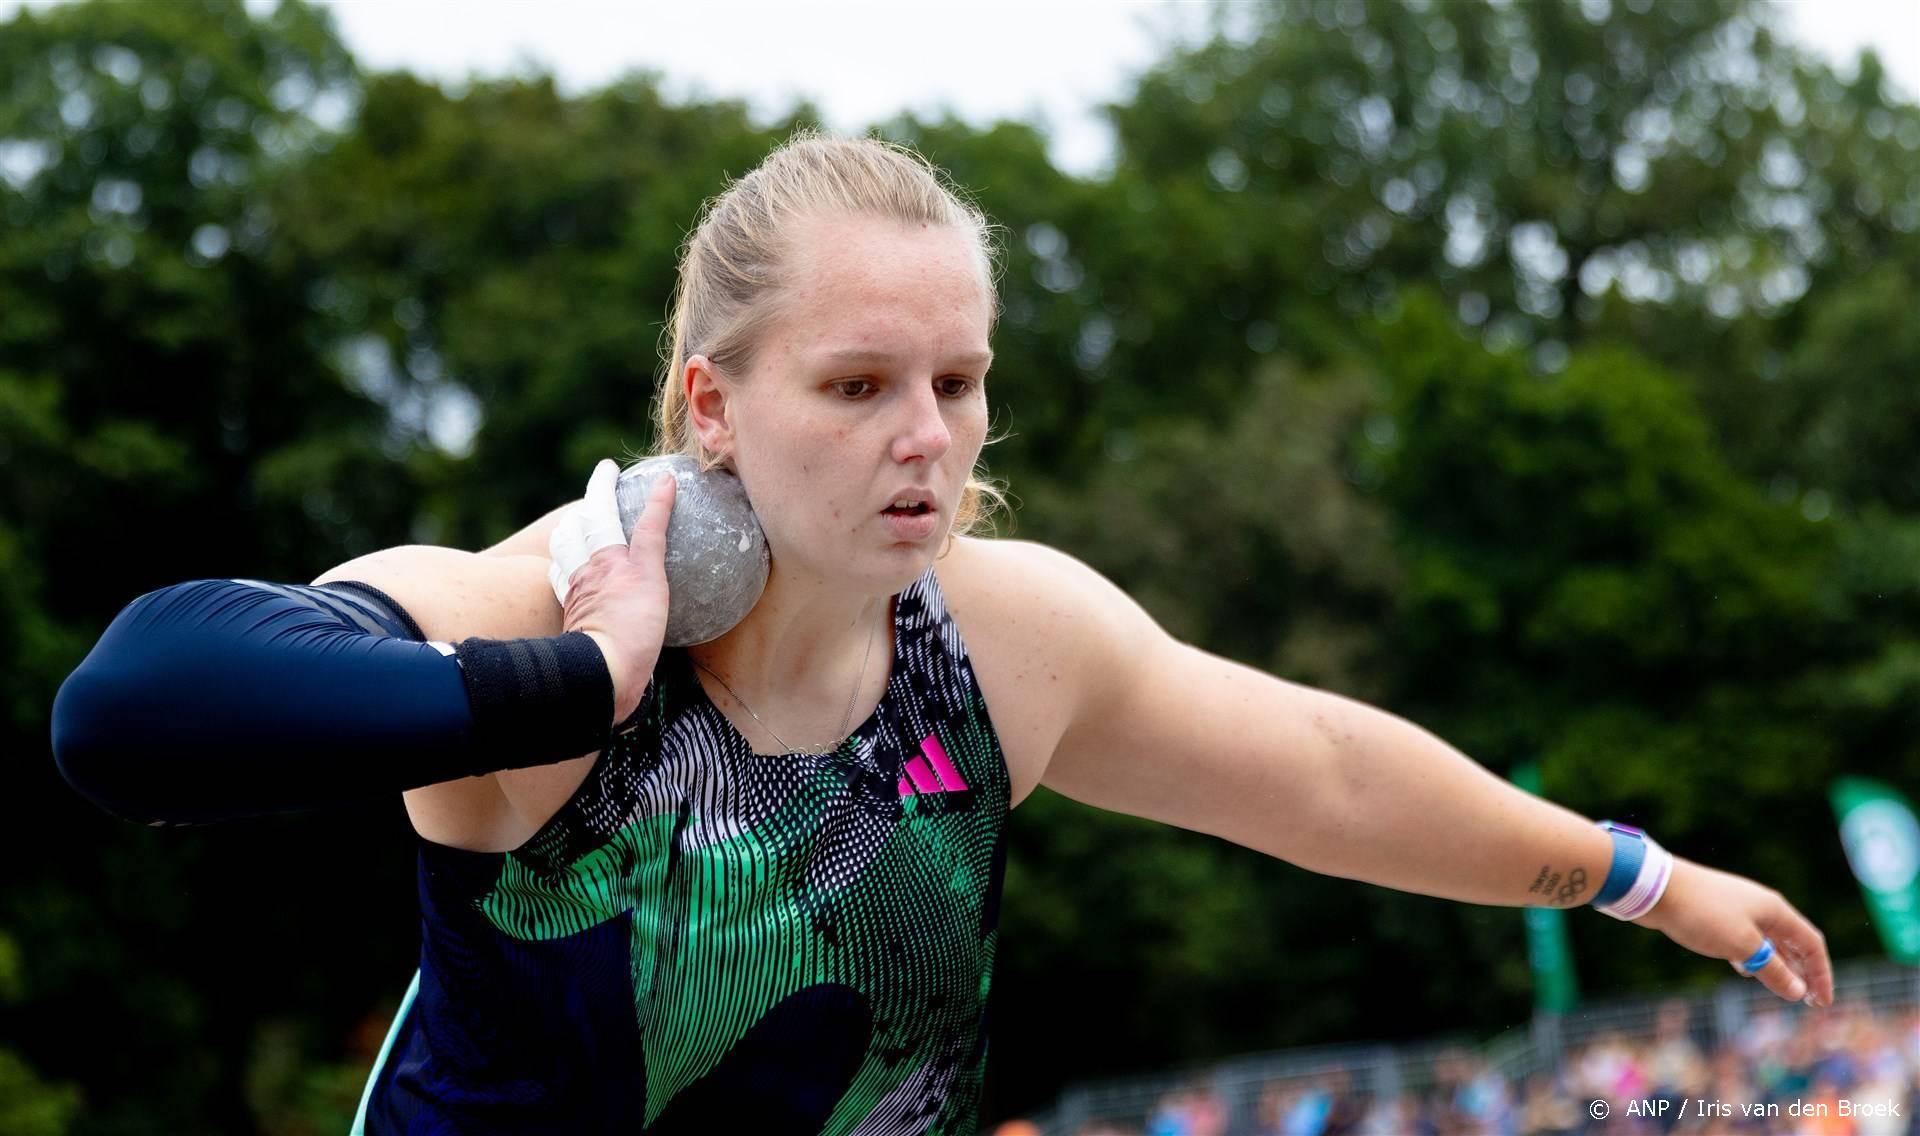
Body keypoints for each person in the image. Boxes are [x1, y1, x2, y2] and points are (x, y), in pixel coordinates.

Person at [49, 131, 1835, 1135]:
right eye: (858, 383)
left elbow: (1316, 770)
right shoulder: (555, 602)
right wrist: (581, 680)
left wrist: (1640, 879)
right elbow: (132, 706)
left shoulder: (1002, 641)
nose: (928, 434)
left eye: (958, 380)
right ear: (711, 404)